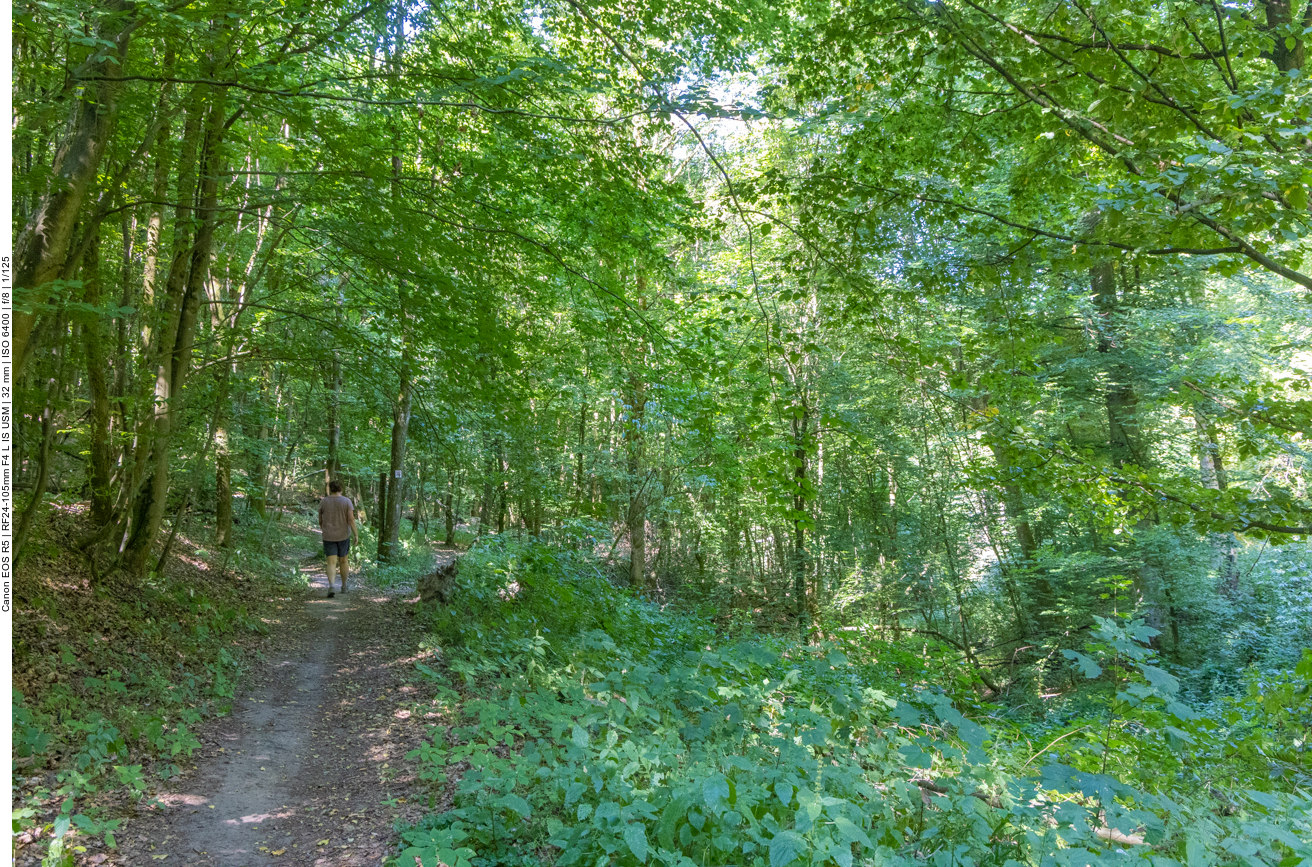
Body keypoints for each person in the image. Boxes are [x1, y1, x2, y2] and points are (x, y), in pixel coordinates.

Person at [318, 480, 359, 598]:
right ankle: (344, 585)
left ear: (330, 489)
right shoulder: (347, 501)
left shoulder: (324, 501)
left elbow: (320, 520)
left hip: (328, 536)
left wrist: (325, 529)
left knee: (331, 562)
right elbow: (350, 519)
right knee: (344, 561)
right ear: (341, 489)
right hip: (344, 535)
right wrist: (356, 534)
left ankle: (331, 585)